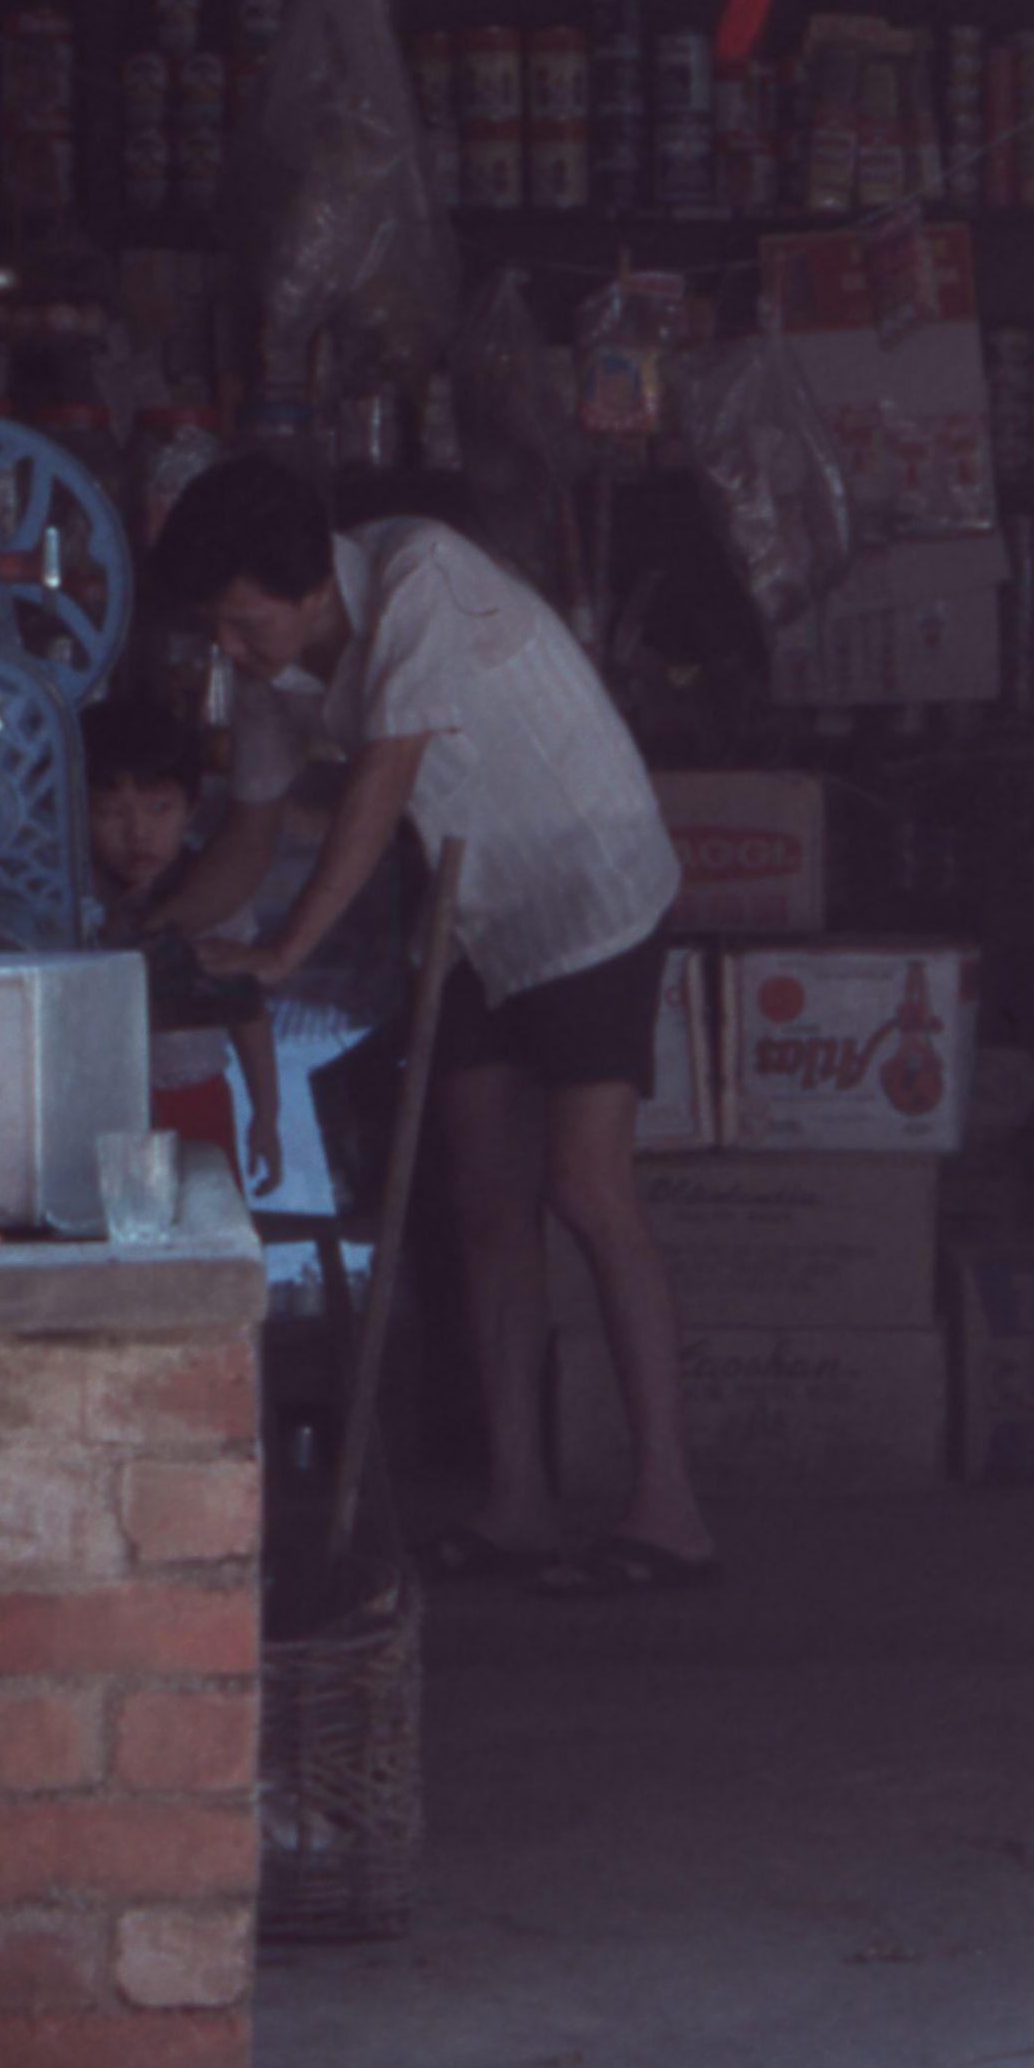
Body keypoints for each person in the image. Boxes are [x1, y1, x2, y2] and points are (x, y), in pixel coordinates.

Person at [143, 452, 702, 1594]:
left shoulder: (421, 576)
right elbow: (249, 836)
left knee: (587, 1188)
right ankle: (518, 1505)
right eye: (214, 629)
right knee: (489, 1203)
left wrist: (282, 954)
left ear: (310, 585)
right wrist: (136, 935)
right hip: (468, 915)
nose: (231, 651)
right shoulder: (270, 668)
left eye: (245, 623)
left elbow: (383, 779)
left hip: (586, 888)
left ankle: (670, 1508)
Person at [84, 694, 288, 1198]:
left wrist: (266, 1110)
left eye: (160, 807)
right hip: (93, 1111)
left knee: (205, 1222)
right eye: (111, 811)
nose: (138, 832)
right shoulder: (74, 898)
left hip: (197, 1096)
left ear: (191, 809)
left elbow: (247, 1010)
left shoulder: (216, 893)